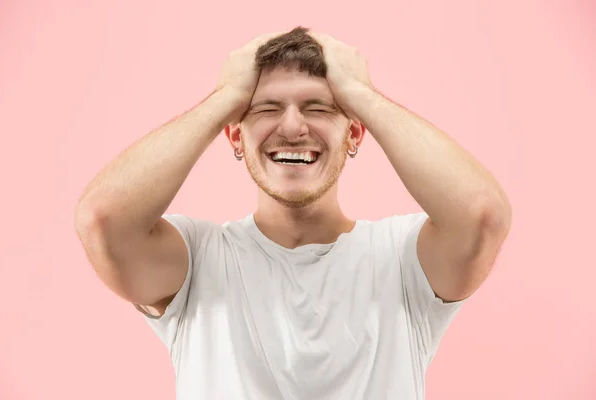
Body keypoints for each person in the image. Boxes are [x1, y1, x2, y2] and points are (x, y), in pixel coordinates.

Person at [74, 27, 511, 400]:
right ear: (234, 136)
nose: (292, 127)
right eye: (266, 109)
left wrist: (361, 94)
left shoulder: (401, 259)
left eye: (318, 108)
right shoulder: (197, 261)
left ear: (356, 132)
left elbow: (481, 214)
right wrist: (227, 96)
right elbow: (103, 220)